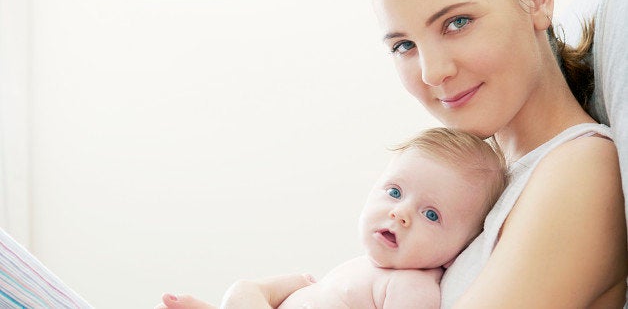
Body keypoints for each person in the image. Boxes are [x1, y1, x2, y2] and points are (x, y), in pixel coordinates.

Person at [157, 0, 628, 307]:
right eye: (404, 45)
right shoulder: (474, 192)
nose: (432, 71)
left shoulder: (578, 169)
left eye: (456, 22)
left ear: (536, 0)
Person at [157, 127, 508, 309]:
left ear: (458, 250)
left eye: (431, 214)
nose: (400, 214)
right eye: (395, 192)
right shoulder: (364, 267)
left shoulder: (411, 287)